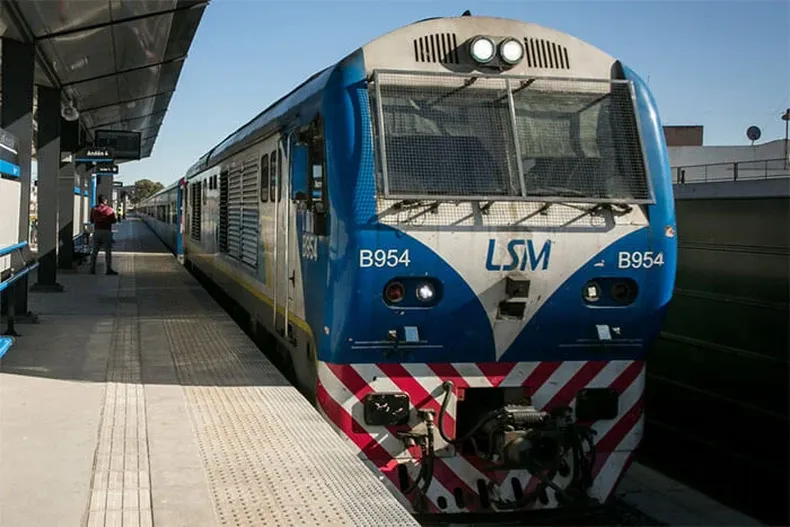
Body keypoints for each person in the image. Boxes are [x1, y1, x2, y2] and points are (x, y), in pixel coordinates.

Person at [89, 195, 118, 275]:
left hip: (97, 231)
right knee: (108, 252)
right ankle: (108, 269)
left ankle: (92, 269)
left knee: (94, 251)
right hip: (106, 232)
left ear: (98, 201)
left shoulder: (94, 209)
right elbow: (114, 221)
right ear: (105, 201)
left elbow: (91, 220)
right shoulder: (110, 209)